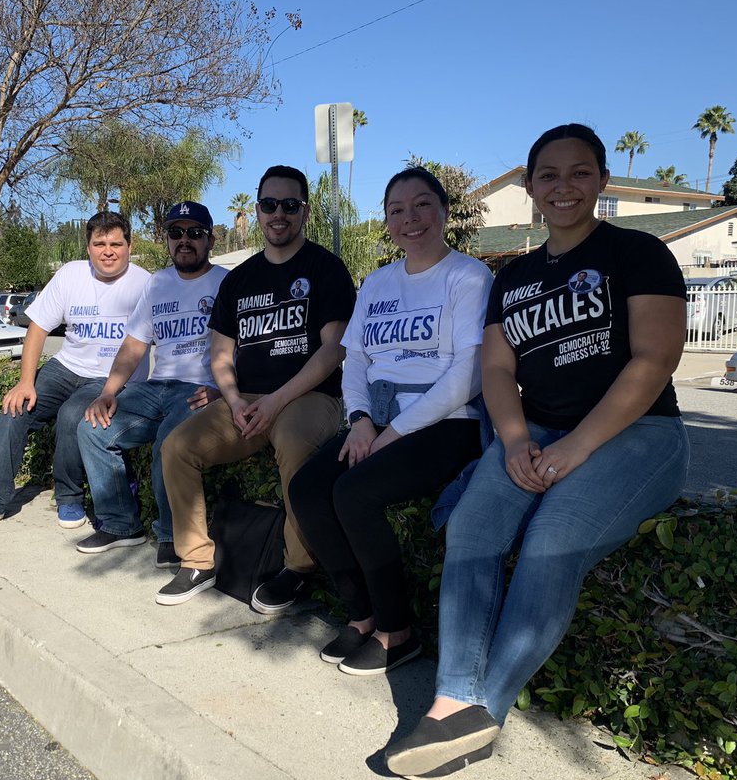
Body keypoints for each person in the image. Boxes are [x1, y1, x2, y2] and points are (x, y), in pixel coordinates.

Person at [384, 124, 690, 779]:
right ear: (529, 187)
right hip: (538, 432)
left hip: (641, 435)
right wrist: (517, 438)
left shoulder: (638, 252)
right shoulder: (515, 276)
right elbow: (497, 369)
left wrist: (578, 445)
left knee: (553, 536)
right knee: (472, 527)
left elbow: (655, 359)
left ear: (602, 180)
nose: (563, 186)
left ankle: (482, 712)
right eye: (548, 175)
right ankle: (451, 698)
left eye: (579, 172)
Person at [288, 167, 492, 676]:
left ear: (445, 211)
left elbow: (470, 372)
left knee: (355, 491)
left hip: (448, 423)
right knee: (308, 487)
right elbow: (356, 359)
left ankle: (397, 632)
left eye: (422, 205)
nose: (410, 219)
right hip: (376, 420)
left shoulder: (468, 276)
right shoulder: (378, 282)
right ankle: (361, 615)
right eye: (396, 210)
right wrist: (360, 420)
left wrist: (395, 433)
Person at [156, 165, 357, 606]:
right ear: (258, 210)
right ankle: (197, 560)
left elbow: (334, 349)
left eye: (289, 205)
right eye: (269, 204)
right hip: (245, 399)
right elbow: (221, 353)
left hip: (309, 396)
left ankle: (298, 568)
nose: (278, 213)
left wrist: (277, 400)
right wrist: (232, 400)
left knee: (294, 445)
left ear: (305, 212)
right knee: (177, 447)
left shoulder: (326, 268)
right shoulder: (239, 279)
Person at [0, 211, 150, 534]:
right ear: (88, 247)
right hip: (66, 367)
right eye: (100, 244)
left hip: (110, 377)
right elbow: (38, 328)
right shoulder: (70, 275)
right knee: (14, 409)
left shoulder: (146, 284)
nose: (108, 251)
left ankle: (69, 497)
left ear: (129, 247)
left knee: (72, 415)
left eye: (116, 244)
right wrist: (26, 382)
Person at [75, 201, 229, 565]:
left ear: (210, 240)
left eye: (194, 233)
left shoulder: (227, 282)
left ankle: (171, 535)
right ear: (167, 239)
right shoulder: (157, 283)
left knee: (168, 441)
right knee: (92, 428)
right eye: (176, 233)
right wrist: (108, 392)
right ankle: (120, 525)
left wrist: (223, 390)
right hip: (155, 387)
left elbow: (244, 345)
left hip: (199, 390)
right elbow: (133, 345)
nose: (184, 240)